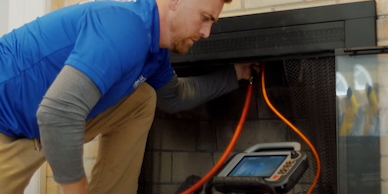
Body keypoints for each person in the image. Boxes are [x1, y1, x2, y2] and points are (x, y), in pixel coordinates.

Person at [0, 0, 258, 194]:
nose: (207, 32)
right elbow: (58, 114)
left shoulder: (153, 53)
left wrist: (236, 73)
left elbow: (175, 97)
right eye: (204, 18)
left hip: (40, 127)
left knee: (142, 98)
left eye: (212, 22)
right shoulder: (125, 28)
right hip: (7, 129)